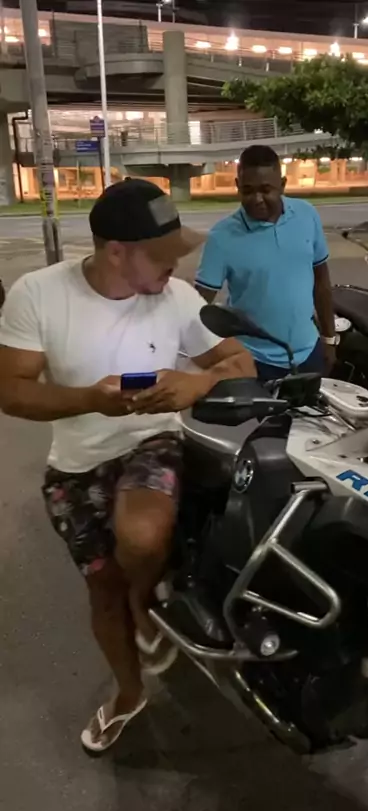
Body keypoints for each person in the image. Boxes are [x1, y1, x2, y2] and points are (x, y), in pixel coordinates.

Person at [0, 179, 254, 753]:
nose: (174, 266)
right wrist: (91, 399)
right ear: (117, 252)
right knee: (103, 591)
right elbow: (11, 391)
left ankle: (146, 601)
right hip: (76, 462)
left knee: (140, 536)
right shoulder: (38, 294)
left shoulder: (178, 298)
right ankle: (129, 692)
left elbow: (240, 361)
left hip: (152, 440)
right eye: (161, 255)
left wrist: (197, 382)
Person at [195, 145, 336, 382]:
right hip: (253, 361)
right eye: (248, 190)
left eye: (266, 190)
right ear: (237, 186)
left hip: (309, 354)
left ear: (282, 184)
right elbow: (199, 304)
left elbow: (321, 281)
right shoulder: (221, 237)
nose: (257, 199)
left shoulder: (307, 215)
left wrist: (329, 340)